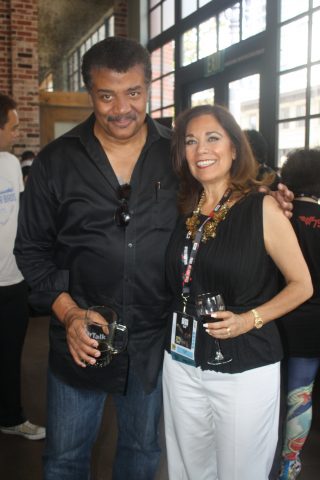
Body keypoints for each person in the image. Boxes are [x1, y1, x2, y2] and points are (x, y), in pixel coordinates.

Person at [14, 37, 294, 479]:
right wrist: (68, 314)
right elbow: (30, 250)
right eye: (107, 95)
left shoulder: (177, 153)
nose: (121, 107)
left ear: (149, 89)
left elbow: (225, 190)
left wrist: (269, 198)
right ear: (91, 93)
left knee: (143, 453)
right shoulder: (55, 162)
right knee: (64, 458)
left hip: (154, 340)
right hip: (79, 339)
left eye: (134, 93)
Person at [162, 104, 313, 480]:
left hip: (244, 366)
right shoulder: (184, 206)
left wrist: (250, 319)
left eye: (212, 138)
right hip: (182, 360)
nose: (201, 150)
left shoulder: (262, 207)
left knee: (240, 471)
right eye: (190, 141)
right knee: (189, 468)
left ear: (234, 147)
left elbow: (302, 285)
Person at [0, 92, 45, 440]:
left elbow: (17, 218)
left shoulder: (10, 165)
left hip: (12, 281)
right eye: (12, 127)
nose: (16, 134)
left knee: (10, 355)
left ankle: (11, 416)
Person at [277, 149, 320, 480]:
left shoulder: (278, 217)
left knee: (270, 400)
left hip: (276, 321)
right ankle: (290, 466)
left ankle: (262, 459)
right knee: (300, 396)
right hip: (313, 328)